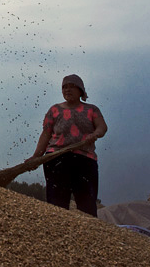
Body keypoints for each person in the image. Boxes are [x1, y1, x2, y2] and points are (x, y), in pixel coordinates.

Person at [27, 74, 108, 216]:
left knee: (87, 205)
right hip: (56, 159)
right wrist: (36, 156)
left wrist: (94, 134)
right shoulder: (54, 110)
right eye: (64, 87)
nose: (67, 90)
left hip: (84, 160)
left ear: (81, 90)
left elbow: (102, 127)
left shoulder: (91, 110)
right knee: (57, 205)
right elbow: (46, 134)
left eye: (72, 86)